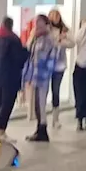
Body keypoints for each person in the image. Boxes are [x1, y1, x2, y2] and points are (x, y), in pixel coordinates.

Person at [0, 17, 29, 138]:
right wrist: (26, 51)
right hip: (10, 78)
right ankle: (1, 131)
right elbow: (19, 59)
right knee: (6, 104)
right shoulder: (13, 40)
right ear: (11, 26)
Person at [23, 14, 61, 142]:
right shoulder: (36, 37)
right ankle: (39, 129)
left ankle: (43, 130)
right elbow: (29, 51)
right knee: (36, 105)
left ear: (46, 24)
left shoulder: (49, 38)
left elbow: (52, 57)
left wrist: (47, 71)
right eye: (36, 22)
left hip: (43, 75)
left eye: (39, 22)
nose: (37, 25)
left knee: (41, 103)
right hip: (34, 75)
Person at [47, 10, 73, 126]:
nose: (56, 18)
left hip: (59, 65)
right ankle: (42, 118)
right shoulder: (47, 29)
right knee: (44, 91)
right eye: (53, 16)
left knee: (55, 90)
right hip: (47, 64)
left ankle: (55, 118)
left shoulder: (65, 29)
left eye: (57, 16)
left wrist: (63, 40)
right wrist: (56, 41)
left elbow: (72, 43)